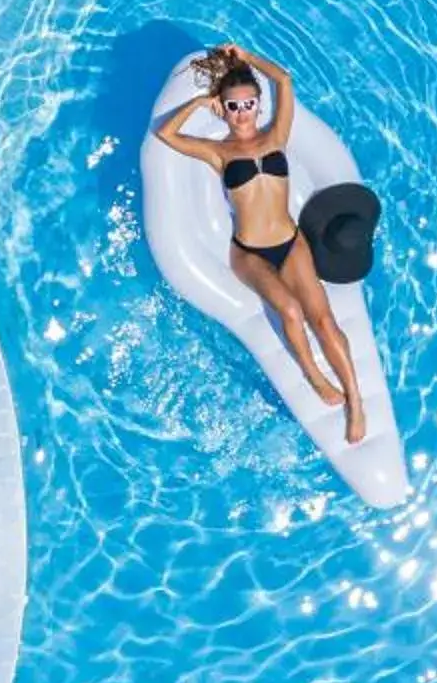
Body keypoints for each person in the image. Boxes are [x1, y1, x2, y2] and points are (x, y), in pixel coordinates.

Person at [152, 41, 366, 443]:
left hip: (290, 242)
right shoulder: (218, 152)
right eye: (232, 107)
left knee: (324, 320)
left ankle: (356, 401)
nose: (241, 113)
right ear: (224, 108)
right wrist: (201, 102)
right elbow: (166, 133)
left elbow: (283, 79)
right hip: (249, 252)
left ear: (258, 103)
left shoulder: (275, 136)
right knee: (288, 309)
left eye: (248, 104)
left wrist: (246, 58)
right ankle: (313, 375)